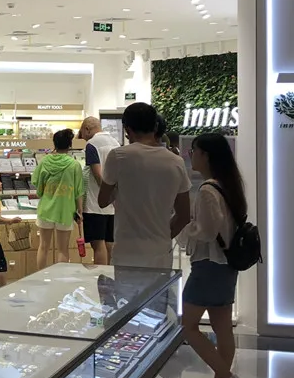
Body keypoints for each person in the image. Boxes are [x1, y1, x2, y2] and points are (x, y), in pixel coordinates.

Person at [180, 132, 250, 378]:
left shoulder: (208, 190)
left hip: (208, 264)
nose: (191, 156)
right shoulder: (229, 186)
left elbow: (207, 232)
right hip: (226, 265)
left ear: (206, 155)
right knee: (222, 327)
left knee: (188, 326)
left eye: (194, 151)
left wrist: (186, 229)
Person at [98, 102, 191, 268]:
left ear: (127, 129)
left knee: (126, 286)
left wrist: (117, 190)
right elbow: (184, 215)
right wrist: (163, 237)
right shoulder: (176, 161)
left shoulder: (118, 156)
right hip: (161, 252)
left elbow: (103, 201)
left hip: (126, 251)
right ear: (155, 127)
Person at [32, 129, 86, 269]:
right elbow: (78, 191)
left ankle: (41, 277)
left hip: (45, 209)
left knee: (43, 246)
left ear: (54, 143)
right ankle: (60, 278)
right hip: (65, 210)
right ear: (70, 145)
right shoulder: (74, 165)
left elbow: (38, 185)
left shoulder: (44, 161)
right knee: (63, 249)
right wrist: (80, 210)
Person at [78, 116, 120, 266]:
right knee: (109, 242)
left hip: (95, 203)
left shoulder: (92, 144)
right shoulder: (115, 143)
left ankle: (100, 276)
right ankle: (111, 274)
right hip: (112, 205)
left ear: (87, 129)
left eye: (82, 133)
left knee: (98, 244)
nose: (83, 137)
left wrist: (106, 194)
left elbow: (97, 174)